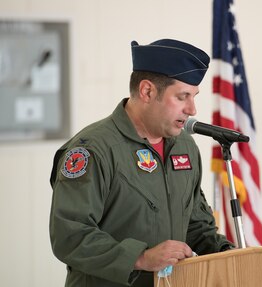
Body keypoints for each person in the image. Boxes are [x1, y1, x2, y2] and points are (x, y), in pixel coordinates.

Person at [49, 38, 234, 287]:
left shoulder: (184, 146)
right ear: (147, 91)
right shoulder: (93, 149)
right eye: (183, 97)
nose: (192, 109)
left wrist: (230, 254)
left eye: (194, 96)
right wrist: (140, 258)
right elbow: (69, 235)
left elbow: (195, 225)